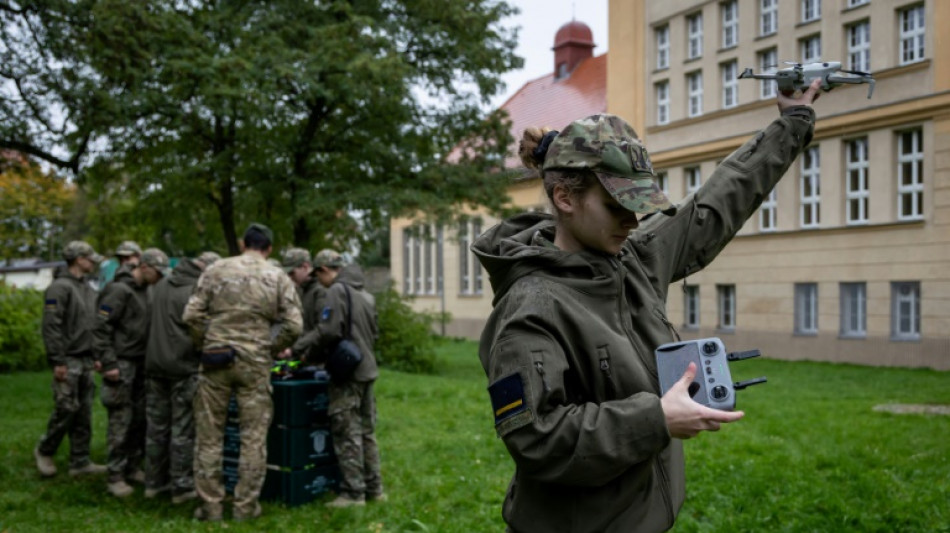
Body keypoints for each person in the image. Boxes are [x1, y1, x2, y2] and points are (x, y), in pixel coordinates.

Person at [472, 81, 822, 532]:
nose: (632, 221)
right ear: (565, 198)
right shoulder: (530, 306)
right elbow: (537, 437)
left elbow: (716, 202)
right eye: (618, 205)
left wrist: (791, 123)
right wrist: (655, 418)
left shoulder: (631, 259)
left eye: (639, 206)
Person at [183, 224, 302, 522]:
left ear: (242, 243)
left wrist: (205, 344)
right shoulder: (276, 275)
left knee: (209, 436)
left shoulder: (216, 270)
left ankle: (210, 508)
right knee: (253, 437)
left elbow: (191, 315)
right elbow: (295, 326)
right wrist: (272, 348)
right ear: (269, 248)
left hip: (215, 359)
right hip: (255, 362)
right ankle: (245, 508)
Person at [298, 249, 384, 508]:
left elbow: (328, 331)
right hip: (368, 369)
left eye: (319, 275)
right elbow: (375, 332)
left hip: (347, 374)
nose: (320, 282)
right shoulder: (366, 295)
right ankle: (374, 489)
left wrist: (301, 349)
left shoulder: (337, 291)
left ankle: (352, 493)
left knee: (347, 432)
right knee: (367, 432)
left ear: (325, 270)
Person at [143, 251, 220, 504]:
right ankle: (182, 486)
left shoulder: (162, 284)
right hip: (183, 366)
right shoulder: (195, 290)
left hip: (155, 363)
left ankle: (154, 483)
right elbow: (201, 330)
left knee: (156, 427)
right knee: (183, 430)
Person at [94, 247, 170, 497]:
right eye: (156, 272)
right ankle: (114, 475)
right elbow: (101, 327)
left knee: (139, 418)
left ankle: (131, 466)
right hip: (121, 362)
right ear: (144, 267)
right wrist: (108, 363)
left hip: (141, 363)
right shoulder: (119, 290)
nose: (159, 277)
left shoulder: (147, 290)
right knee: (120, 420)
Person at [35, 241, 107, 478]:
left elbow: (94, 326)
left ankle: (80, 461)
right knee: (66, 407)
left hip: (86, 359)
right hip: (68, 359)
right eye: (89, 258)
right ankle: (45, 450)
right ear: (78, 259)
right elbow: (51, 326)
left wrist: (97, 355)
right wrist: (58, 360)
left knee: (84, 412)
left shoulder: (87, 288)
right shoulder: (59, 288)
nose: (93, 262)